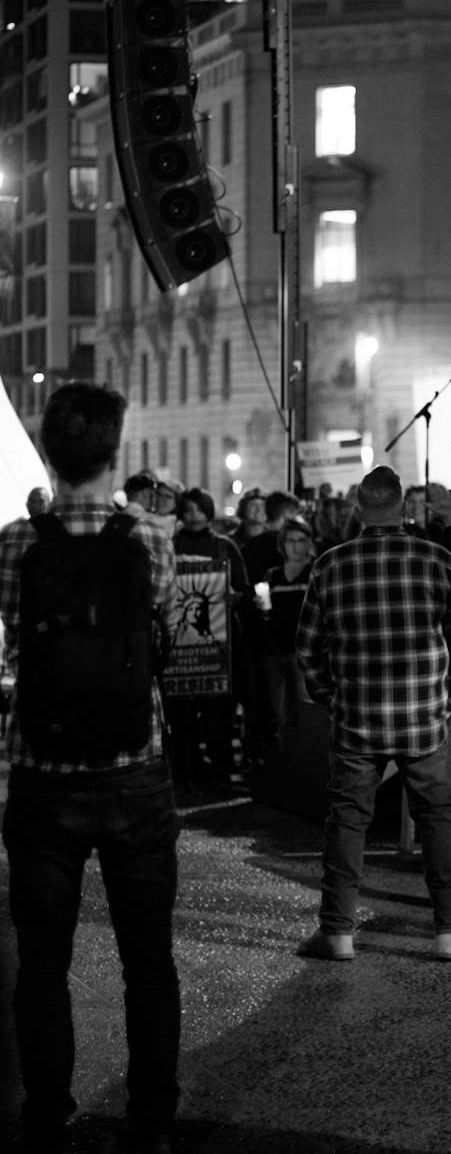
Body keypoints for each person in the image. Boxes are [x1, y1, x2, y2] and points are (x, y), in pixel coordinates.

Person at [0, 382, 181, 1154]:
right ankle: (151, 1122)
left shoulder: (15, 542)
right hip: (135, 772)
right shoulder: (150, 538)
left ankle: (48, 1113)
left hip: (43, 778)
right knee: (149, 961)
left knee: (42, 964)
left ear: (50, 450)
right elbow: (162, 615)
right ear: (114, 453)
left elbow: (14, 626)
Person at [294, 464, 451, 963]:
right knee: (438, 819)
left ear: (359, 511)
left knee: (347, 822)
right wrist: (450, 700)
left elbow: (308, 650)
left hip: (356, 718)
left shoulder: (329, 565)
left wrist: (331, 699)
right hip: (424, 717)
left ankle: (336, 932)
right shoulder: (437, 559)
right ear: (405, 507)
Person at [168, 488, 251, 789]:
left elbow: (245, 589)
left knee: (218, 717)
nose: (193, 516)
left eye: (199, 510)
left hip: (218, 650)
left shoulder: (224, 546)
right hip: (178, 654)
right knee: (181, 717)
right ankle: (187, 771)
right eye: (187, 510)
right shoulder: (170, 546)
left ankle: (219, 772)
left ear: (209, 512)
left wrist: (234, 596)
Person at [254, 514, 315, 738]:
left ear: (309, 542)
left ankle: (306, 761)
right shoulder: (273, 576)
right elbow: (266, 616)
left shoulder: (314, 573)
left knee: (305, 709)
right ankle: (285, 764)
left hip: (303, 654)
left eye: (301, 540)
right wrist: (261, 608)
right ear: (282, 544)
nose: (296, 546)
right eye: (291, 541)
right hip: (275, 651)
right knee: (279, 713)